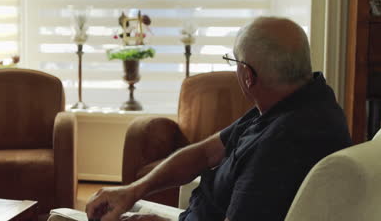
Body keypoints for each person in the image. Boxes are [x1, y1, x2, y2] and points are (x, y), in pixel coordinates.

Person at [86, 17, 352, 221]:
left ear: (248, 76)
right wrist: (133, 191)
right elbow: (205, 154)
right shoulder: (298, 100)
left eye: (234, 61)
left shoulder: (281, 144)